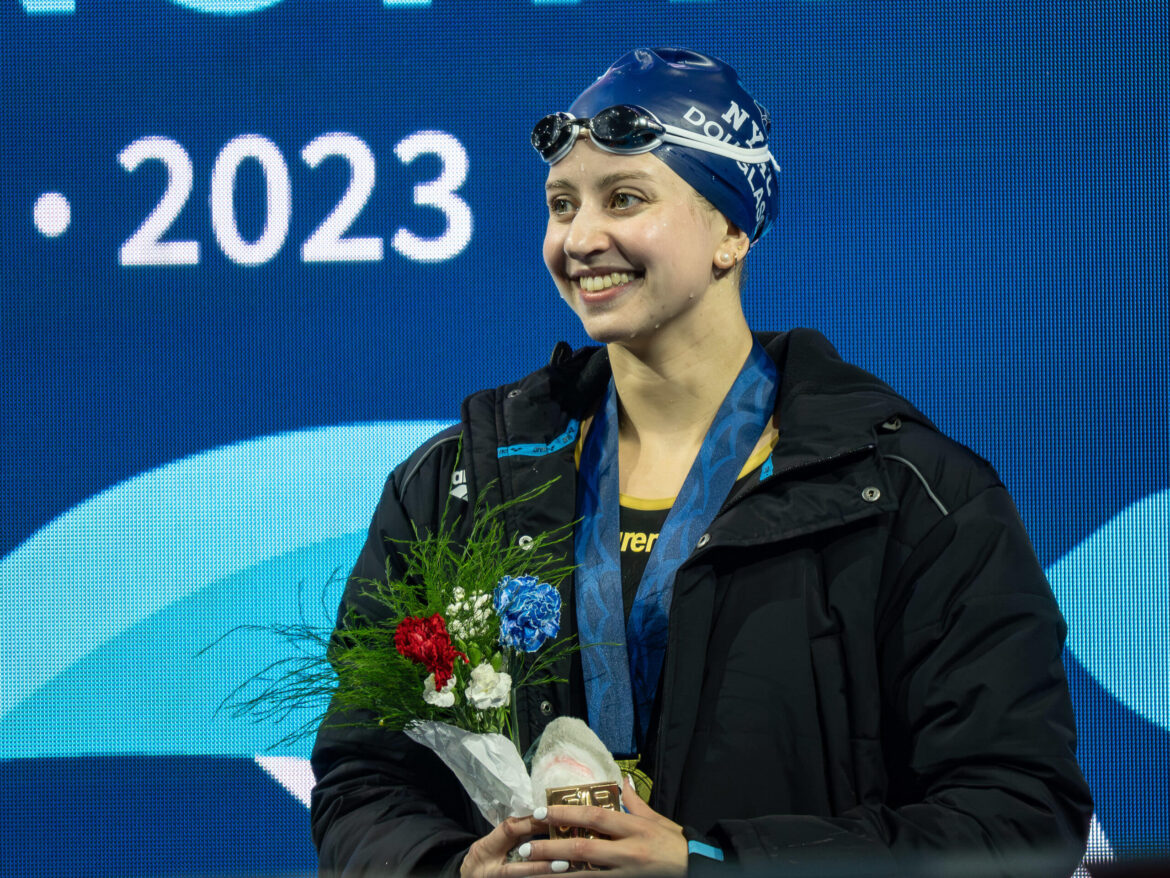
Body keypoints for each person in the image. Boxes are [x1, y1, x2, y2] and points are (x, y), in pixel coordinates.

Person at [311, 48, 1093, 876]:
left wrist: (712, 865)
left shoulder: (909, 496)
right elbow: (364, 781)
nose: (580, 239)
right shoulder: (459, 486)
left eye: (625, 199)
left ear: (731, 230)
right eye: (562, 204)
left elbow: (1018, 815)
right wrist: (457, 870)